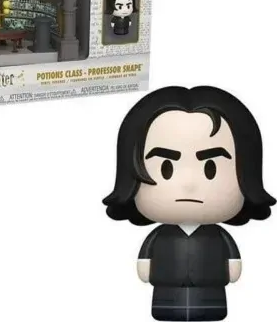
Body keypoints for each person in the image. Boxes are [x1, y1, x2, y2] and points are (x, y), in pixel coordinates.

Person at [103, 86, 276, 321]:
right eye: (166, 168)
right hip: (166, 292)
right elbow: (146, 258)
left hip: (211, 291)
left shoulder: (218, 236)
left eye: (210, 168)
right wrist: (144, 263)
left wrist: (233, 264)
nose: (189, 184)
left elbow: (232, 258)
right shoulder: (160, 236)